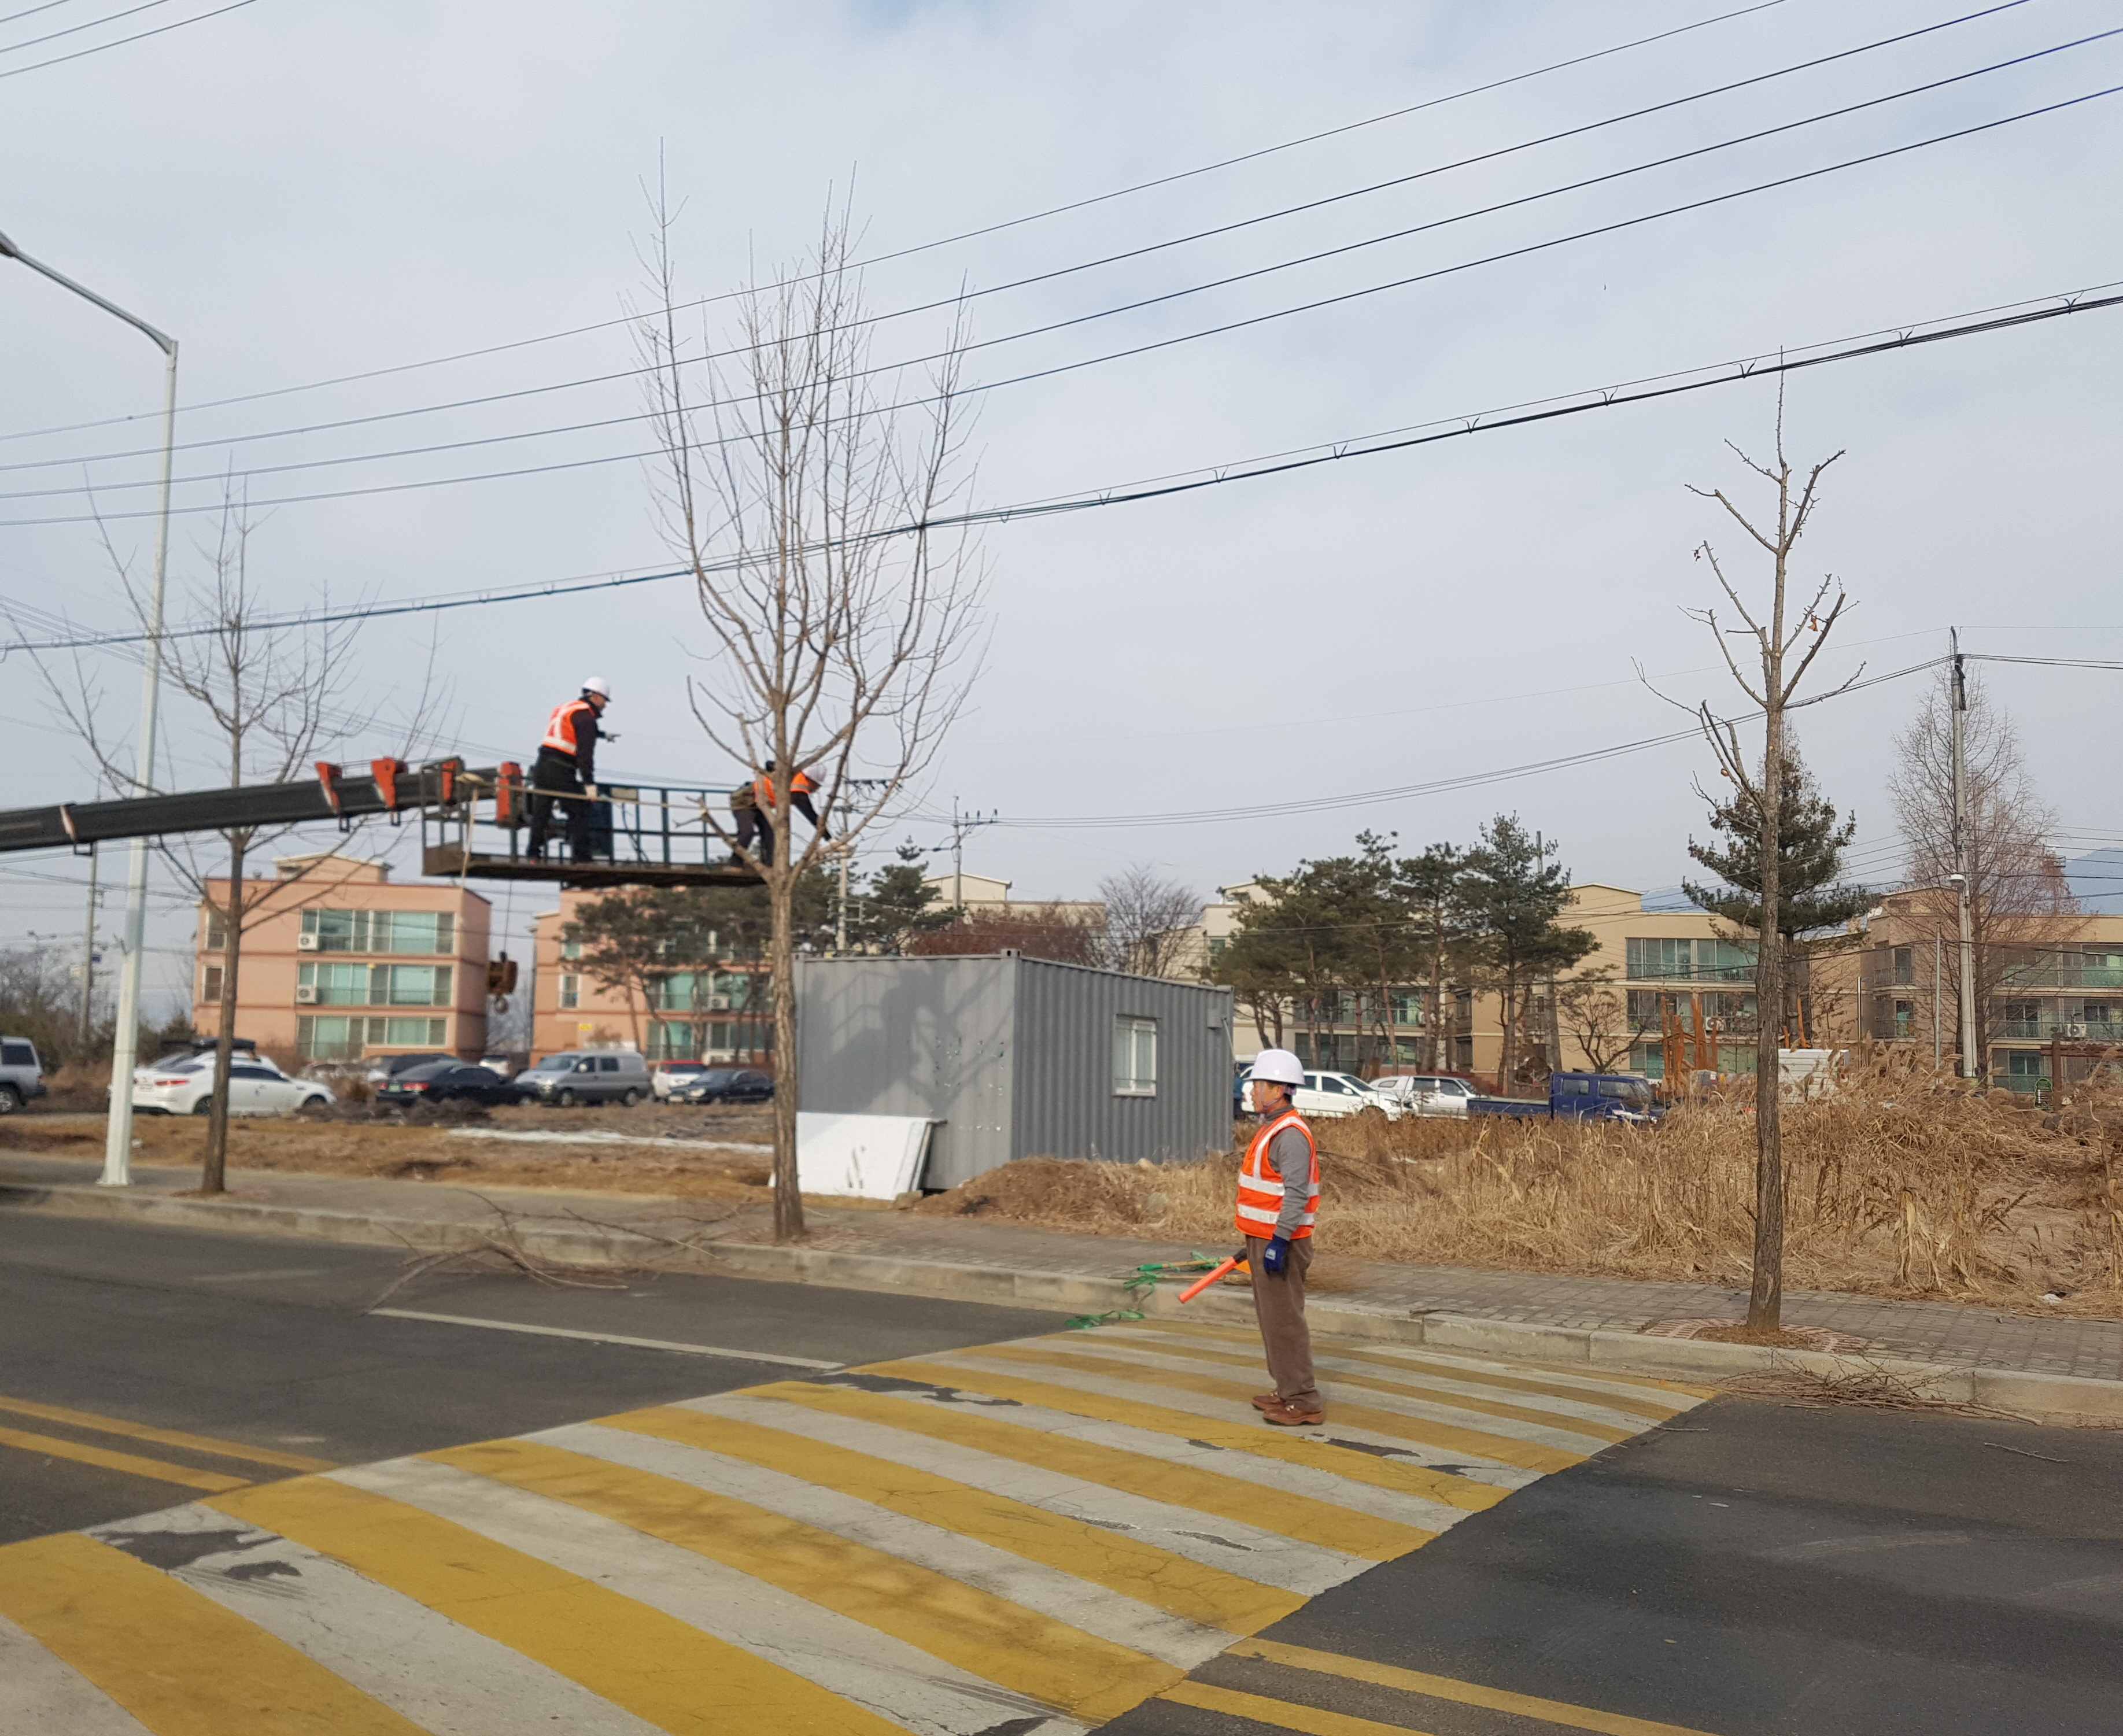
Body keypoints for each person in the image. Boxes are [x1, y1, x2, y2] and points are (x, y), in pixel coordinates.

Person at [1238, 1048, 1323, 1426]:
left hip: (1283, 1244)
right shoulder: (1271, 1128)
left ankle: (1303, 1401)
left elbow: (1296, 1193)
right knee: (1271, 1320)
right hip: (1266, 1240)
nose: (1253, 1091)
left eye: (1258, 1084)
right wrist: (1254, 1240)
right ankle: (1285, 1389)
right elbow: (1265, 1194)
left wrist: (1278, 1241)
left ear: (1278, 1089)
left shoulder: (1289, 1135)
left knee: (1285, 1322)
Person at [527, 677, 611, 862]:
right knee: (579, 808)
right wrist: (589, 784)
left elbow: (569, 729)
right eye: (605, 700)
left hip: (542, 766)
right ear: (596, 696)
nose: (605, 705)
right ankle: (582, 856)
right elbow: (585, 756)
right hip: (562, 770)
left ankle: (533, 852)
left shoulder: (564, 708)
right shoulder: (587, 718)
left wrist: (601, 734)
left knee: (541, 811)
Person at [728, 759, 826, 867]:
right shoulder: (798, 789)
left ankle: (770, 865)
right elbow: (811, 815)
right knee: (747, 832)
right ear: (810, 780)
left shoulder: (791, 777)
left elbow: (769, 764)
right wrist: (830, 838)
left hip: (762, 805)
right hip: (745, 800)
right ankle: (735, 863)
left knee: (770, 833)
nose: (816, 790)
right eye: (817, 786)